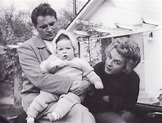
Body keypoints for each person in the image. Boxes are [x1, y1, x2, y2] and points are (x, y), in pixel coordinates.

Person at [18, 3, 95, 123]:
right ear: (35, 27)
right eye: (43, 26)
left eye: (52, 24)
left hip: (66, 97)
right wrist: (73, 85)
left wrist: (86, 83)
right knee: (81, 114)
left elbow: (78, 66)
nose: (49, 29)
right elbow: (39, 79)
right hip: (40, 99)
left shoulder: (67, 41)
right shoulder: (27, 48)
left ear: (56, 20)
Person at [26, 30, 103, 123]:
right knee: (43, 97)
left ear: (74, 50)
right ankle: (31, 115)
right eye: (61, 49)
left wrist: (96, 81)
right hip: (55, 89)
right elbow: (42, 69)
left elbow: (90, 72)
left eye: (68, 48)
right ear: (56, 52)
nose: (64, 52)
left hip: (74, 92)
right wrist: (51, 65)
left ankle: (56, 114)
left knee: (67, 101)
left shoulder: (79, 62)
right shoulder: (54, 60)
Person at [83, 37, 141, 123]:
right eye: (109, 57)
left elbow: (130, 106)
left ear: (126, 67)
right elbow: (93, 104)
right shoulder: (98, 70)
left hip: (121, 114)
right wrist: (116, 101)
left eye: (117, 62)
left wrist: (110, 99)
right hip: (95, 113)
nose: (109, 63)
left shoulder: (133, 78)